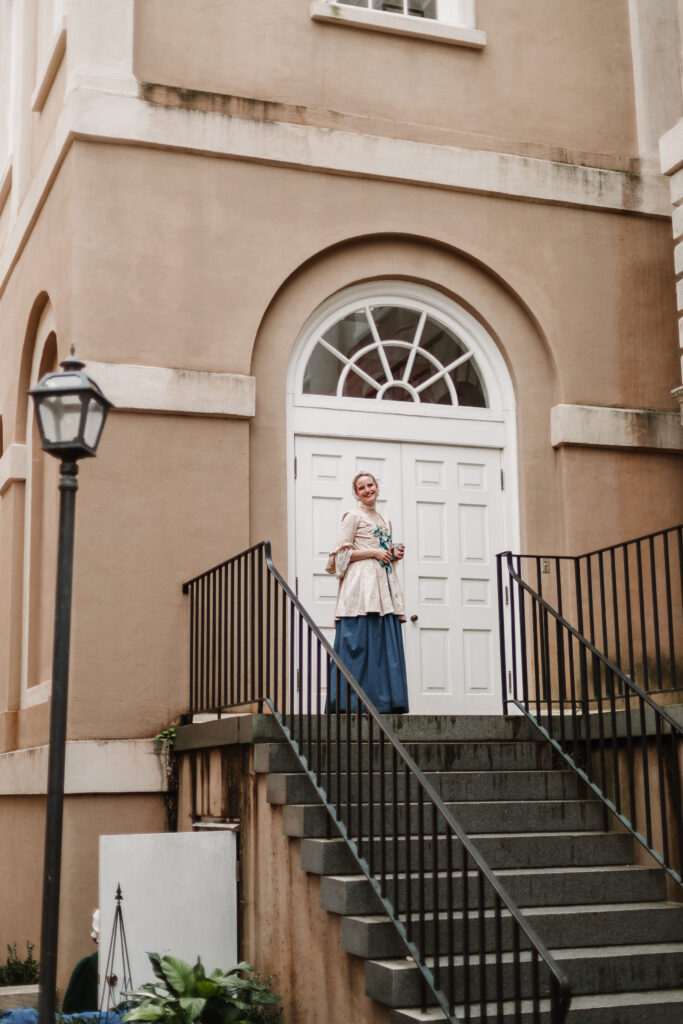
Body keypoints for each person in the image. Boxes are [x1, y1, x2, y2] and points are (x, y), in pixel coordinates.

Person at [326, 472, 409, 713]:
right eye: (361, 488)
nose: (367, 490)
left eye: (370, 485)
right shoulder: (352, 516)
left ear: (377, 487)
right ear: (356, 493)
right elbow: (338, 557)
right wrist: (372, 552)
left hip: (382, 584)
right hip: (361, 584)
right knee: (358, 640)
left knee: (381, 641)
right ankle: (348, 702)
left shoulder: (385, 519)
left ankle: (383, 701)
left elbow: (384, 551)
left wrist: (393, 553)